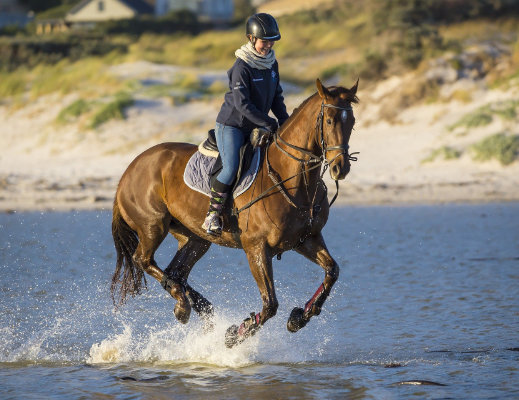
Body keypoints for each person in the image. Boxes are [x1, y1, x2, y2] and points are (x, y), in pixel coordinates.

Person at [202, 13, 290, 236]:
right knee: (231, 167)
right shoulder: (242, 67)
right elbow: (242, 105)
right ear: (251, 38)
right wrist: (268, 122)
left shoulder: (272, 64)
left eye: (272, 41)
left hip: (257, 125)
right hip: (232, 125)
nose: (268, 45)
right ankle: (212, 215)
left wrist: (285, 122)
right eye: (264, 41)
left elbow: (277, 98)